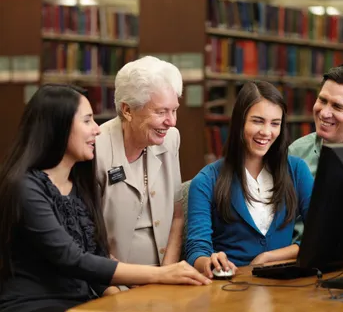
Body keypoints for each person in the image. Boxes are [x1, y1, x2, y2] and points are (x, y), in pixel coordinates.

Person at [0, 84, 210, 312]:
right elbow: (73, 259)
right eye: (87, 120)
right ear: (57, 127)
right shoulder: (24, 187)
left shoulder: (78, 184)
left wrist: (132, 296)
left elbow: (96, 257)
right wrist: (162, 274)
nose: (98, 130)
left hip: (81, 303)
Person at [185, 81, 314, 278]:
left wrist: (269, 257)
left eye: (275, 123)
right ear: (240, 121)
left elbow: (321, 236)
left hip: (285, 285)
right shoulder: (206, 181)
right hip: (231, 288)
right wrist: (209, 261)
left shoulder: (296, 170)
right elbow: (196, 250)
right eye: (257, 121)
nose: (266, 132)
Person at [95, 56, 184, 268]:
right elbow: (87, 237)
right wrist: (115, 287)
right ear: (127, 110)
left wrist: (166, 274)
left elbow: (177, 217)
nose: (171, 121)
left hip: (164, 277)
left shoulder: (170, 139)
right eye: (161, 112)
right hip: (111, 280)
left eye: (174, 110)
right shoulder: (96, 149)